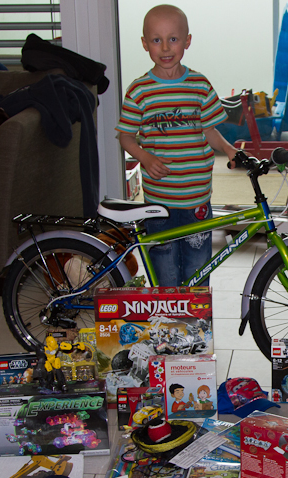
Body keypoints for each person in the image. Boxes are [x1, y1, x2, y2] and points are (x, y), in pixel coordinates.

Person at [116, 4, 238, 287]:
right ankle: (168, 313)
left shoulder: (199, 85)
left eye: (173, 39)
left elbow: (209, 130)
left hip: (197, 198)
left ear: (187, 41)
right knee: (165, 270)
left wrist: (229, 149)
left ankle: (195, 314)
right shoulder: (139, 90)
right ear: (145, 43)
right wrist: (145, 158)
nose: (165, 47)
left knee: (198, 269)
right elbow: (125, 136)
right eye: (156, 40)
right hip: (159, 201)